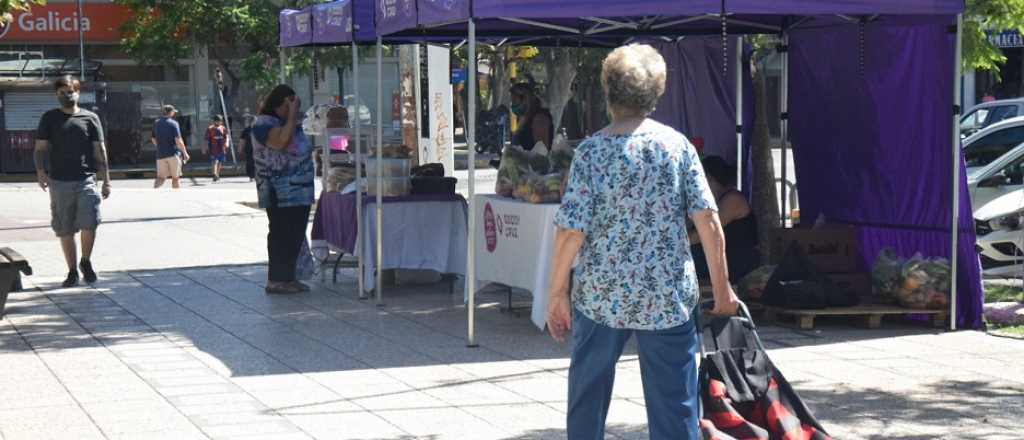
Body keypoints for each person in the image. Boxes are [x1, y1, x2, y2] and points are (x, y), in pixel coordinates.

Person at [546, 44, 739, 440]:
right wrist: (722, 291)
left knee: (587, 397)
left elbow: (570, 232)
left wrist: (556, 293)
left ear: (608, 91)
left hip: (602, 294)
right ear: (657, 93)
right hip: (666, 296)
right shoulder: (677, 147)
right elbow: (708, 221)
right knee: (676, 407)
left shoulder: (591, 153)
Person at [33, 75, 112, 287]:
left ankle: (86, 261)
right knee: (64, 228)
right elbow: (40, 149)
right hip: (59, 181)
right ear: (56, 95)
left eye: (70, 91)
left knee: (90, 222)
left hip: (86, 179)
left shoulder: (90, 118)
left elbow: (100, 150)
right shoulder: (49, 118)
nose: (67, 96)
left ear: (78, 92)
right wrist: (40, 172)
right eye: (62, 93)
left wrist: (106, 180)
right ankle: (71, 271)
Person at [251, 85, 314, 294]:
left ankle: (289, 277)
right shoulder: (263, 125)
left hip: (299, 192)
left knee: (295, 233)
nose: (294, 108)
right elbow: (280, 142)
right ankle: (277, 279)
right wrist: (293, 115)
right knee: (281, 234)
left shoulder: (289, 123)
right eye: (290, 104)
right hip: (279, 192)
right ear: (280, 104)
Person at [690, 155, 760, 283]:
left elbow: (707, 230)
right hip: (721, 257)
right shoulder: (712, 200)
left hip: (738, 260)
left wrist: (679, 244)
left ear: (709, 178)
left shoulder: (733, 199)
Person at [151, 105, 190, 189]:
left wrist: (160, 146)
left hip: (160, 154)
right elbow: (178, 140)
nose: (174, 113)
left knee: (160, 178)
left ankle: (153, 194)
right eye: (173, 112)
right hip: (173, 154)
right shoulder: (173, 123)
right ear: (170, 113)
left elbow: (153, 139)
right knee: (175, 178)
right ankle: (176, 197)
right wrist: (185, 153)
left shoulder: (156, 123)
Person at [509, 82, 554, 151]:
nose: (513, 104)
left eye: (514, 100)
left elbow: (541, 152)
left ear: (525, 99)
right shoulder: (523, 118)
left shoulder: (540, 119)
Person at [205, 114, 230, 182]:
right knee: (215, 161)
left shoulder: (223, 128)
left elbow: (226, 136)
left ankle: (218, 174)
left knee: (220, 161)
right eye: (217, 121)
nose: (219, 122)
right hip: (213, 148)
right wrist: (205, 146)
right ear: (214, 121)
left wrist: (227, 143)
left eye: (220, 121)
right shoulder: (210, 128)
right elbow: (206, 139)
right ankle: (214, 174)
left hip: (221, 148)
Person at [240, 114, 256, 181]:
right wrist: (240, 148)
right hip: (249, 149)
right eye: (254, 121)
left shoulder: (259, 129)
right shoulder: (246, 130)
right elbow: (242, 140)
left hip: (258, 149)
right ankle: (251, 176)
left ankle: (256, 175)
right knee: (250, 162)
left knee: (257, 163)